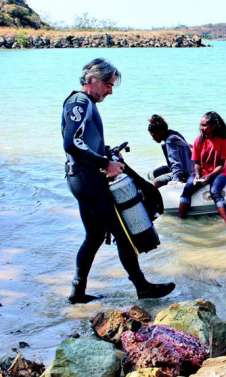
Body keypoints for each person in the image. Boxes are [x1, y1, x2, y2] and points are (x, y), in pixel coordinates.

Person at [62, 58, 175, 304]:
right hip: (88, 182)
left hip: (82, 180)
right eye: (108, 84)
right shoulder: (79, 102)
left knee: (93, 236)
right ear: (92, 79)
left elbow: (85, 142)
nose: (111, 90)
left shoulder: (86, 103)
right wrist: (105, 164)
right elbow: (72, 142)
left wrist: (106, 153)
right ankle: (142, 287)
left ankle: (77, 292)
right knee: (123, 234)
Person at [178, 111, 226, 222]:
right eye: (201, 125)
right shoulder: (198, 140)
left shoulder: (223, 141)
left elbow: (221, 165)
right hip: (202, 173)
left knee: (215, 191)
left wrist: (210, 176)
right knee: (187, 189)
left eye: (205, 125)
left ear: (213, 126)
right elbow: (196, 162)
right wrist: (197, 175)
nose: (202, 128)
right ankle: (180, 221)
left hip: (220, 173)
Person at [147, 114, 193, 188]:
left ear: (159, 132)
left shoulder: (170, 141)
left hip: (185, 173)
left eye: (153, 135)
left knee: (156, 182)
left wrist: (176, 181)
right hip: (189, 167)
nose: (153, 138)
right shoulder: (174, 134)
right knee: (154, 173)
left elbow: (176, 163)